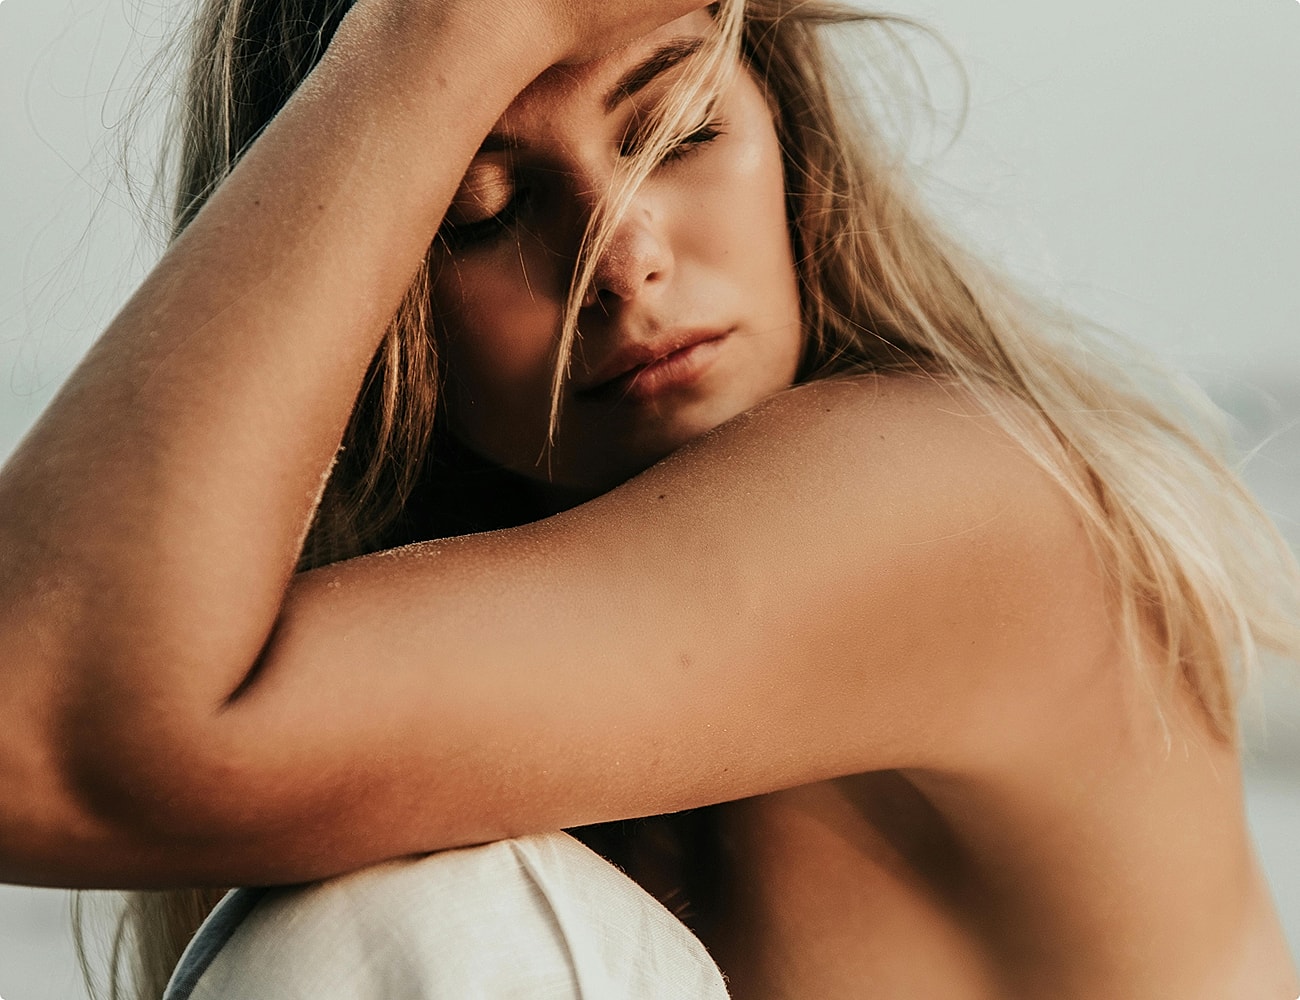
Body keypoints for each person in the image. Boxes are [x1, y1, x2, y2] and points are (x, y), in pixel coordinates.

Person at [1, 0, 1297, 996]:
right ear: (371, 317)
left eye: (680, 134)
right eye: (478, 210)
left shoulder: (965, 498)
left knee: (407, 926)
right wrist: (425, 38)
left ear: (792, 137)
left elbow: (36, 731)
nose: (623, 259)